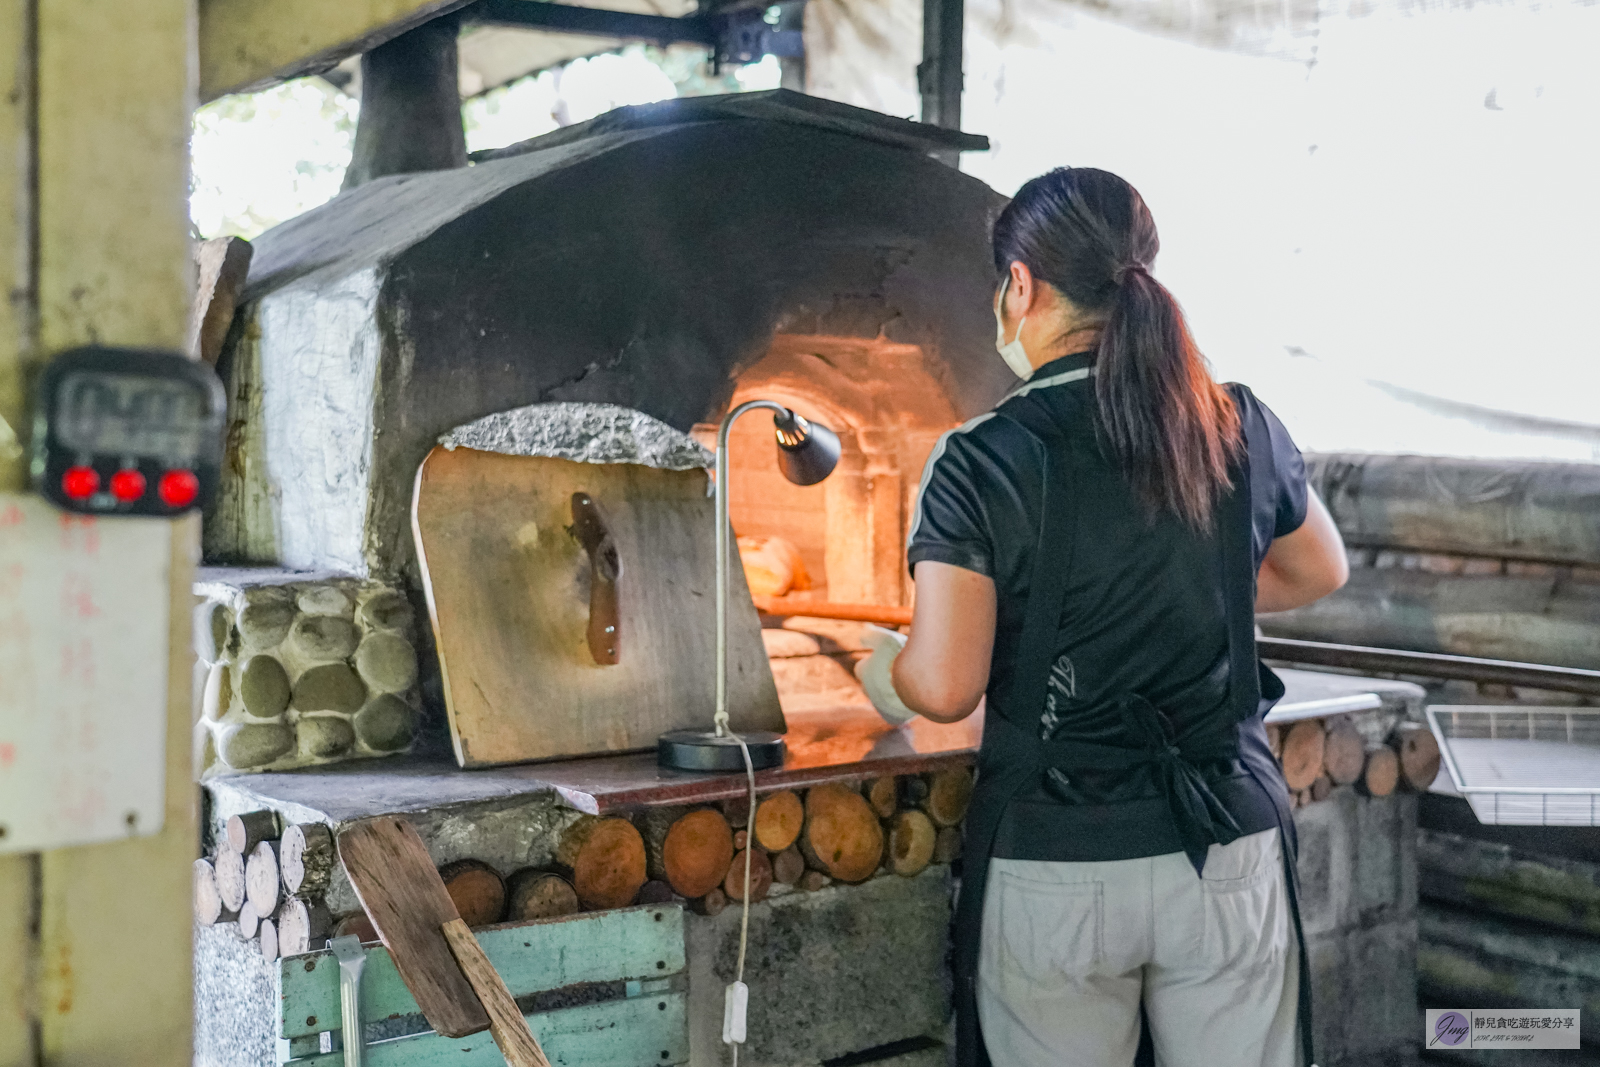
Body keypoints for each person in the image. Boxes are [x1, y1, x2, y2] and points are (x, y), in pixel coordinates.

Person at [855, 167, 1349, 1067]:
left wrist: (884, 667)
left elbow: (948, 682)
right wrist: (1199, 584)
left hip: (1058, 860)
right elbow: (1319, 566)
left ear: (1020, 287)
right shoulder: (1234, 420)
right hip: (1228, 848)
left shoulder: (980, 458)